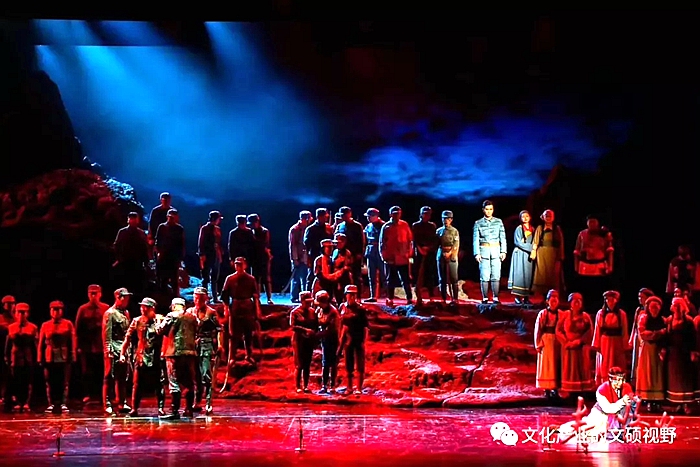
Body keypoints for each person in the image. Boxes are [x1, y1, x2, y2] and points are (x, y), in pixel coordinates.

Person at [558, 367, 636, 444]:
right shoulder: (602, 390)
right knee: (591, 430)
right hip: (601, 414)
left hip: (617, 416)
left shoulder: (626, 386)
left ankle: (623, 431)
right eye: (617, 380)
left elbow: (630, 402)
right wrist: (622, 401)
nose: (620, 383)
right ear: (611, 379)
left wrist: (631, 400)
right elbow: (607, 409)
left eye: (622, 380)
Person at [120, 297, 165, 417]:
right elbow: (128, 337)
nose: (143, 309)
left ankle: (161, 408)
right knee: (137, 383)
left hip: (156, 355)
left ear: (152, 308)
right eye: (142, 307)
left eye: (146, 307)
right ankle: (134, 408)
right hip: (141, 356)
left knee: (159, 382)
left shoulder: (160, 320)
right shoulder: (137, 321)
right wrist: (122, 353)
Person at [157, 297, 198, 420]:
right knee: (189, 382)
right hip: (190, 353)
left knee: (174, 382)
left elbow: (159, 330)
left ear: (173, 306)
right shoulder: (192, 317)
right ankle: (189, 409)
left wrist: (158, 321)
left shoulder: (171, 315)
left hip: (174, 353)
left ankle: (174, 411)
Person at [221, 257, 262, 366]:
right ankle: (232, 357)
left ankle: (249, 355)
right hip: (235, 307)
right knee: (233, 334)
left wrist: (257, 309)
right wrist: (226, 309)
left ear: (245, 265)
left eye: (240, 264)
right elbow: (225, 296)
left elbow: (255, 296)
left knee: (248, 333)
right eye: (236, 264)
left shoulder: (251, 279)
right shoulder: (230, 279)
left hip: (247, 307)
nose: (238, 266)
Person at [38, 300, 76, 413]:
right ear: (50, 311)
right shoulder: (45, 325)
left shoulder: (68, 324)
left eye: (58, 310)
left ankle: (63, 403)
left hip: (64, 355)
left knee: (64, 380)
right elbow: (40, 343)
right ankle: (51, 403)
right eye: (53, 310)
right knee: (49, 380)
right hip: (49, 356)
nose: (56, 312)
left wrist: (73, 354)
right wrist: (39, 357)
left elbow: (73, 340)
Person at [75, 284, 109, 404]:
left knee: (102, 371)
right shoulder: (83, 309)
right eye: (91, 293)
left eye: (96, 293)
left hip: (101, 345)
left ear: (100, 294)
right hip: (87, 346)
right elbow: (77, 328)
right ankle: (87, 394)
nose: (93, 296)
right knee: (86, 371)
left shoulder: (105, 308)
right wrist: (78, 346)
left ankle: (102, 395)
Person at [662, 297, 697, 415]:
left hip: (684, 353)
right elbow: (666, 336)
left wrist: (693, 351)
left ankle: (686, 404)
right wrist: (664, 349)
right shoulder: (669, 320)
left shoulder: (688, 321)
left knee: (685, 379)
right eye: (674, 305)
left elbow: (692, 337)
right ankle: (678, 404)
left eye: (678, 305)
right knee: (674, 379)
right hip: (673, 353)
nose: (676, 308)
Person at [191, 287, 222, 415]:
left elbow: (219, 329)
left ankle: (209, 402)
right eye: (196, 298)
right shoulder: (190, 312)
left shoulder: (211, 312)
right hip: (193, 345)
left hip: (206, 344)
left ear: (205, 299)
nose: (198, 301)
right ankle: (196, 401)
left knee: (206, 374)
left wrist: (219, 344)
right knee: (195, 376)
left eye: (200, 298)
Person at [556, 292, 594, 394]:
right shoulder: (565, 315)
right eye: (574, 300)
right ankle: (570, 390)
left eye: (579, 300)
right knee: (570, 368)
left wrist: (580, 341)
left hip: (581, 347)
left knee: (582, 367)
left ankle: (582, 391)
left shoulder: (585, 316)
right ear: (570, 303)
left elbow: (590, 331)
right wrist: (566, 342)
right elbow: (558, 330)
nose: (577, 303)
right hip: (568, 347)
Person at [4, 303, 38, 413]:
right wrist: (7, 357)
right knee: (16, 380)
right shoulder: (11, 327)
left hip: (28, 357)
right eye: (19, 312)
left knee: (28, 380)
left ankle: (27, 402)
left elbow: (35, 345)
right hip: (15, 358)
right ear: (15, 313)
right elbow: (8, 344)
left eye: (23, 312)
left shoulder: (33, 327)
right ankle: (18, 402)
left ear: (27, 313)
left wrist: (37, 358)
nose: (21, 315)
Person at [103, 288, 132, 415]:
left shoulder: (126, 313)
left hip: (123, 348)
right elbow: (107, 333)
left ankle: (121, 402)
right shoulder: (110, 313)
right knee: (109, 376)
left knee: (123, 377)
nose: (127, 300)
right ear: (118, 297)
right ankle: (107, 403)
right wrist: (108, 350)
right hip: (114, 347)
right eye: (124, 297)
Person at [573, 215, 615, 303]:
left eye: (594, 221)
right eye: (590, 222)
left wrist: (610, 266)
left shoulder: (605, 235)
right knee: (585, 290)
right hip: (585, 267)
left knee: (599, 290)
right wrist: (576, 266)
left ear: (598, 223)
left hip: (599, 266)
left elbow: (610, 251)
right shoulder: (582, 234)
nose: (592, 224)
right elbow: (577, 252)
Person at [635, 296, 666, 412]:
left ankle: (657, 400)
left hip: (658, 349)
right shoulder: (644, 318)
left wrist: (658, 335)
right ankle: (648, 399)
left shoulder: (663, 320)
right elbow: (643, 333)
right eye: (652, 308)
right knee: (647, 373)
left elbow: (666, 333)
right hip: (647, 349)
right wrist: (657, 333)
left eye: (656, 308)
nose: (654, 310)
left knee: (657, 374)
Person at [591, 290, 629, 386]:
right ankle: (604, 384)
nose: (611, 302)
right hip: (605, 342)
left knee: (617, 363)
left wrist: (625, 345)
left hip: (617, 342)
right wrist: (596, 345)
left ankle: (618, 384)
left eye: (613, 300)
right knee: (605, 363)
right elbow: (597, 329)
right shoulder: (601, 313)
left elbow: (624, 330)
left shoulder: (622, 314)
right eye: (608, 300)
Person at [473, 200, 507, 304]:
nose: (489, 211)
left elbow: (502, 237)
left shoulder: (498, 222)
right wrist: (477, 253)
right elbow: (476, 239)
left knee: (496, 275)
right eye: (487, 209)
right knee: (484, 276)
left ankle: (495, 297)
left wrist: (503, 251)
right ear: (483, 210)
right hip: (484, 252)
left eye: (491, 209)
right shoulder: (478, 223)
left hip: (496, 251)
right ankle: (485, 297)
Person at [338, 285, 370, 395]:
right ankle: (349, 387)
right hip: (347, 339)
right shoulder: (342, 307)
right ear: (346, 295)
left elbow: (366, 326)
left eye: (353, 294)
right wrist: (340, 338)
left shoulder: (360, 309)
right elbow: (340, 323)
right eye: (350, 294)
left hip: (358, 338)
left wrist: (364, 341)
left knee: (360, 364)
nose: (351, 296)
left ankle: (359, 388)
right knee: (348, 364)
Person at [534, 290, 566, 399]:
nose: (554, 302)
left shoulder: (561, 314)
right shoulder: (543, 314)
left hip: (556, 341)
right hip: (546, 341)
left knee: (555, 365)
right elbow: (538, 329)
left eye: (556, 300)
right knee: (546, 365)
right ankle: (546, 389)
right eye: (552, 300)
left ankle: (555, 388)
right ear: (547, 301)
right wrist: (538, 344)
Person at [379, 206, 413, 307]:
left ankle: (409, 298)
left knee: (406, 279)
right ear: (390, 214)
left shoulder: (404, 225)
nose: (396, 215)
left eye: (398, 213)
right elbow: (382, 242)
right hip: (391, 257)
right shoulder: (386, 226)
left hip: (403, 257)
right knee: (390, 279)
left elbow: (410, 240)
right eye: (394, 213)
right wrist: (383, 256)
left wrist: (409, 253)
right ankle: (390, 298)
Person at [113, 212, 150, 298]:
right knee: (125, 283)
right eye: (131, 219)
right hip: (125, 262)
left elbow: (145, 248)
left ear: (137, 220)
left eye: (134, 219)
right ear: (128, 220)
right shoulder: (122, 232)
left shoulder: (141, 233)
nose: (132, 221)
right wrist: (119, 258)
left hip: (137, 262)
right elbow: (116, 245)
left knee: (136, 284)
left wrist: (146, 262)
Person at [531, 209, 565, 296]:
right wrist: (533, 252)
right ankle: (543, 295)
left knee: (553, 274)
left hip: (553, 254)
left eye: (550, 216)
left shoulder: (557, 228)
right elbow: (535, 241)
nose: (548, 217)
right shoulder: (540, 228)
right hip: (542, 253)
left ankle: (553, 295)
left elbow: (561, 242)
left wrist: (561, 255)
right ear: (543, 217)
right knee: (542, 273)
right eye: (546, 216)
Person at [290, 291, 318, 393]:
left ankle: (306, 386)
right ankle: (298, 386)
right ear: (301, 301)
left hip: (308, 340)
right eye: (307, 302)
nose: (309, 304)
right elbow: (292, 326)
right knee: (299, 364)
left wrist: (313, 333)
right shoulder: (295, 312)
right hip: (298, 340)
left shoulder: (312, 312)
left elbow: (316, 325)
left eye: (310, 301)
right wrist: (305, 330)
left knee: (307, 364)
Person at [155, 208, 186, 297]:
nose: (171, 219)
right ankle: (163, 298)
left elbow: (181, 244)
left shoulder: (179, 229)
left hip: (174, 257)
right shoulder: (162, 227)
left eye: (173, 217)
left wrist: (180, 258)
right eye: (170, 217)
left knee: (174, 280)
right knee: (162, 279)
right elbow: (157, 240)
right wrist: (158, 253)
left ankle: (174, 298)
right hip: (163, 257)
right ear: (167, 217)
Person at [412, 206, 439, 305]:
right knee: (418, 274)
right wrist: (420, 249)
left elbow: (434, 240)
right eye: (425, 213)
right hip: (419, 253)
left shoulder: (432, 226)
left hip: (429, 252)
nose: (427, 216)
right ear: (421, 214)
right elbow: (414, 239)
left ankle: (431, 295)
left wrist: (429, 248)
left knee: (430, 273)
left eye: (428, 214)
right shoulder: (416, 225)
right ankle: (418, 296)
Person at [629, 288, 654, 390]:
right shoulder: (638, 310)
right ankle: (637, 385)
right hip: (638, 337)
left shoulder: (651, 310)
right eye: (639, 297)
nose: (640, 299)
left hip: (646, 339)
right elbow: (634, 325)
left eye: (642, 297)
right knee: (637, 361)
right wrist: (631, 339)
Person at [508, 210, 535, 304]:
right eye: (523, 216)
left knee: (528, 275)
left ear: (530, 217)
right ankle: (517, 297)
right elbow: (518, 242)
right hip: (520, 253)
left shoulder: (533, 229)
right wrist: (532, 247)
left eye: (527, 216)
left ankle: (526, 297)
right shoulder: (519, 229)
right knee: (519, 275)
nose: (525, 218)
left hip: (528, 255)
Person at [315, 290, 340, 393]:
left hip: (333, 339)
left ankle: (332, 385)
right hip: (324, 339)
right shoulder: (319, 310)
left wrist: (316, 335)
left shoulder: (333, 312)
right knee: (325, 363)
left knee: (332, 363)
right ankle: (324, 385)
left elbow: (332, 329)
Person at [304, 208, 334, 291]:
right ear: (318, 217)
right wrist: (308, 258)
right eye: (323, 217)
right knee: (312, 275)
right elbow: (307, 244)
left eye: (326, 217)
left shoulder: (328, 228)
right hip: (315, 255)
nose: (325, 219)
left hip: (327, 256)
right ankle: (309, 293)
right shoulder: (311, 229)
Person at [198, 210, 224, 302]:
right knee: (205, 277)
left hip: (216, 255)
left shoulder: (217, 229)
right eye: (218, 219)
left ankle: (215, 297)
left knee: (214, 277)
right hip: (208, 255)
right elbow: (201, 242)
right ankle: (204, 298)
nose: (219, 221)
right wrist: (202, 255)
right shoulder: (205, 228)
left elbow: (219, 242)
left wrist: (220, 253)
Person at [248, 214, 273, 305]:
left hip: (263, 258)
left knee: (266, 278)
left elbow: (263, 244)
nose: (252, 225)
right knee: (255, 279)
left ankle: (269, 298)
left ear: (257, 222)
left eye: (253, 223)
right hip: (254, 258)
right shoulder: (250, 232)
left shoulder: (264, 231)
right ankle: (256, 298)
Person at [436, 210, 460, 305]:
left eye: (448, 219)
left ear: (451, 220)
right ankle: (443, 298)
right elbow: (436, 244)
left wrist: (450, 253)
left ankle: (455, 298)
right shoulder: (439, 231)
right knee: (442, 279)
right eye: (444, 219)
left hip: (452, 255)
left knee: (454, 278)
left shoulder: (454, 231)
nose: (446, 221)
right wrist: (442, 253)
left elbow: (456, 243)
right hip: (441, 255)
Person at [289, 210, 313, 302]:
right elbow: (293, 245)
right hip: (298, 258)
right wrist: (295, 259)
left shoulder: (307, 228)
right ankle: (294, 297)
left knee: (305, 278)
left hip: (305, 257)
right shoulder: (295, 229)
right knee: (296, 278)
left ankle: (304, 297)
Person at [363, 208, 386, 302]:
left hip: (380, 252)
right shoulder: (368, 226)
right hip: (370, 251)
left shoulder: (383, 225)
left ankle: (387, 295)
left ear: (375, 216)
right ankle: (373, 295)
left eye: (370, 216)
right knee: (371, 275)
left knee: (384, 274)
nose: (368, 218)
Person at [148, 192, 175, 258]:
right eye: (164, 200)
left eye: (167, 200)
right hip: (157, 237)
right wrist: (150, 237)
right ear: (161, 200)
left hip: (169, 238)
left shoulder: (172, 212)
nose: (166, 202)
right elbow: (151, 223)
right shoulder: (155, 211)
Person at [0, 295, 16, 405]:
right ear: (4, 305)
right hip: (1, 347)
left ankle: (10, 395)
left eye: (12, 304)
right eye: (8, 304)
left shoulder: (16, 318)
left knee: (12, 374)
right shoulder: (0, 318)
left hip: (13, 349)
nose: (11, 306)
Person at [331, 233, 354, 304]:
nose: (337, 244)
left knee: (343, 294)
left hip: (344, 276)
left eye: (339, 243)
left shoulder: (347, 253)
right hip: (335, 276)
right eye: (336, 243)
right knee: (337, 294)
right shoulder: (335, 251)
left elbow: (348, 265)